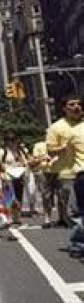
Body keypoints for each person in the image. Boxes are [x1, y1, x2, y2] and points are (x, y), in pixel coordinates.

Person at [44, 95, 84, 228]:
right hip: (68, 174)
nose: (76, 107)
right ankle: (78, 240)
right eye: (71, 104)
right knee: (74, 210)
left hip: (82, 171)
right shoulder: (56, 127)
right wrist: (64, 147)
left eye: (78, 104)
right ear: (64, 108)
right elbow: (50, 150)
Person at [0, 132, 29, 225]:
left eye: (14, 140)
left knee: (18, 197)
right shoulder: (1, 152)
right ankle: (9, 217)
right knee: (9, 198)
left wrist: (23, 166)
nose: (13, 143)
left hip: (19, 176)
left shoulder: (20, 151)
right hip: (7, 177)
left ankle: (17, 217)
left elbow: (26, 163)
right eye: (10, 140)